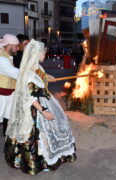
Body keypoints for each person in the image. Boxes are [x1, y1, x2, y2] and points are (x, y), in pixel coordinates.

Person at [5, 39, 76, 175]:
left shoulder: (36, 67)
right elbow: (29, 96)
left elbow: (41, 76)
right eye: (44, 53)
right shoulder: (28, 74)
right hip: (35, 107)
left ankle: (52, 154)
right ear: (37, 54)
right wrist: (43, 111)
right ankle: (38, 161)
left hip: (44, 100)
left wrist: (49, 77)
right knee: (35, 135)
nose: (45, 55)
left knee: (56, 127)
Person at [0, 34, 19, 136]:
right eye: (16, 46)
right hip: (1, 96)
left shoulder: (7, 57)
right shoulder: (2, 59)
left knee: (9, 118)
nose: (17, 49)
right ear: (9, 45)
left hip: (8, 94)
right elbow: (16, 74)